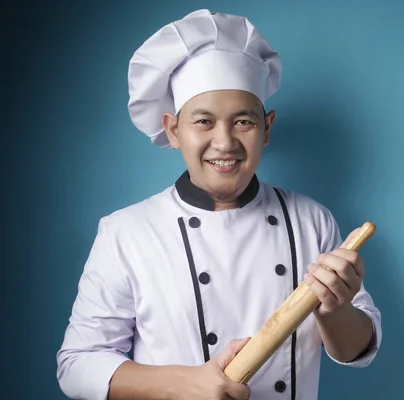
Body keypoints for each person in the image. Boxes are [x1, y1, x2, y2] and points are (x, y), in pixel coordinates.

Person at [56, 9, 382, 400]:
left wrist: (335, 309)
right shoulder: (127, 232)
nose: (225, 142)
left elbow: (354, 350)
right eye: (204, 122)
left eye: (243, 122)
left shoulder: (312, 219)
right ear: (174, 130)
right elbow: (77, 365)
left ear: (267, 128)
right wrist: (184, 383)